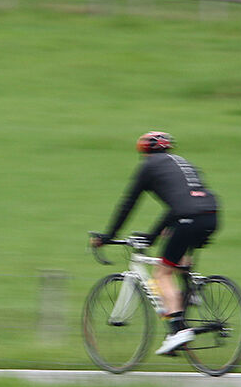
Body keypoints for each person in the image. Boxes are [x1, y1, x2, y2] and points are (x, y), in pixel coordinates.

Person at [92, 131, 219, 356]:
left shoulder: (148, 167)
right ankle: (190, 294)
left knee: (162, 273)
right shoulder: (184, 163)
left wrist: (108, 236)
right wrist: (152, 235)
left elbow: (127, 204)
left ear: (145, 151)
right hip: (211, 215)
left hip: (186, 217)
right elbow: (178, 205)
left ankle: (178, 329)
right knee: (178, 256)